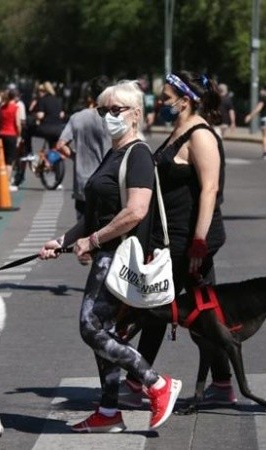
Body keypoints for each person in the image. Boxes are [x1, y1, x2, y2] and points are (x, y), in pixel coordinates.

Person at [38, 80, 182, 433]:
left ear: (135, 115)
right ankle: (108, 410)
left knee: (91, 328)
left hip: (120, 256)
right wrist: (63, 240)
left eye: (115, 110)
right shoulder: (113, 153)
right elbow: (92, 215)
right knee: (105, 331)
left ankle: (157, 382)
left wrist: (93, 240)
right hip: (106, 254)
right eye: (103, 110)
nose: (107, 117)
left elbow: (136, 211)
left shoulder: (138, 156)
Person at [128, 71, 231, 407]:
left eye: (167, 96)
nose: (162, 101)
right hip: (172, 238)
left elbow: (210, 189)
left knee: (160, 308)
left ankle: (137, 380)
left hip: (188, 242)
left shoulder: (200, 135)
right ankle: (221, 382)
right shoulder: (180, 130)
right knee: (200, 312)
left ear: (185, 101)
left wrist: (199, 242)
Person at [55, 75, 112, 219]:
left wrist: (76, 157)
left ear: (90, 95)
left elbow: (61, 145)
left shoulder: (77, 117)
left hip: (83, 184)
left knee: (83, 230)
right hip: (108, 183)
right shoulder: (115, 119)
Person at [244, 84, 266, 158]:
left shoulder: (263, 99)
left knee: (264, 136)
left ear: (265, 90)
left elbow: (258, 109)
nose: (260, 91)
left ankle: (265, 152)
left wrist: (250, 116)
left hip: (265, 119)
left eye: (262, 90)